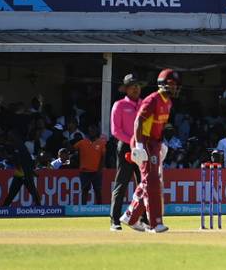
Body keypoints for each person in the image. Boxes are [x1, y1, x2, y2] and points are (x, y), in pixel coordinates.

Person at [121, 69, 180, 233]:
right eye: (171, 84)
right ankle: (155, 223)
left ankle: (130, 216)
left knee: (149, 180)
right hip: (143, 141)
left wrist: (162, 144)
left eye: (176, 85)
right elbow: (138, 121)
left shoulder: (168, 102)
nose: (174, 88)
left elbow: (158, 126)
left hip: (153, 142)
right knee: (152, 180)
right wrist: (139, 145)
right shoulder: (153, 99)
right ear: (162, 84)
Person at [109, 73, 142, 228]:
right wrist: (132, 142)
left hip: (143, 147)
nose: (136, 88)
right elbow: (115, 130)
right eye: (132, 86)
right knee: (121, 184)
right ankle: (114, 221)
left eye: (137, 85)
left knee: (145, 185)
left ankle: (144, 220)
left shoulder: (144, 104)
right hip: (126, 147)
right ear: (126, 89)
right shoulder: (119, 105)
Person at [0, 130, 40, 206]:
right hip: (19, 174)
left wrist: (31, 171)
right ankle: (3, 209)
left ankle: (40, 209)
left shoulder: (19, 145)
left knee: (33, 191)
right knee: (12, 193)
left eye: (10, 136)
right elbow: (17, 159)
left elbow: (24, 159)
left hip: (26, 173)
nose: (9, 137)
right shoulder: (16, 146)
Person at [74, 124, 107, 205]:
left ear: (96, 132)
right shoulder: (82, 142)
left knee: (98, 190)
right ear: (88, 131)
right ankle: (83, 208)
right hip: (84, 171)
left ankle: (99, 208)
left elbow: (103, 157)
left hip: (96, 172)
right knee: (85, 190)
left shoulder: (101, 143)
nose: (92, 132)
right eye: (90, 130)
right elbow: (72, 149)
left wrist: (100, 169)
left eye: (94, 130)